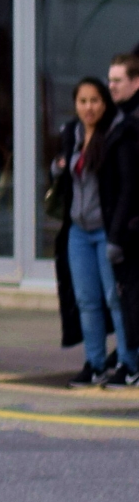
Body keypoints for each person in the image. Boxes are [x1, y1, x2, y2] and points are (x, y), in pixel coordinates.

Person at [52, 77, 137, 387]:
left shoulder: (119, 134)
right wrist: (57, 168)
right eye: (83, 101)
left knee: (116, 299)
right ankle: (95, 363)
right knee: (86, 300)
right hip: (78, 231)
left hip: (107, 231)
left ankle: (129, 364)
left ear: (105, 104)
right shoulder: (72, 133)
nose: (89, 108)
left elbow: (129, 188)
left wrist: (117, 237)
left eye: (95, 101)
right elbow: (68, 178)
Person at [99, 54, 139, 353]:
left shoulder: (130, 124)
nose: (110, 86)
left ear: (135, 82)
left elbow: (129, 186)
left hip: (130, 229)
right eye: (109, 79)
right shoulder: (118, 119)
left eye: (117, 80)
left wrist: (116, 235)